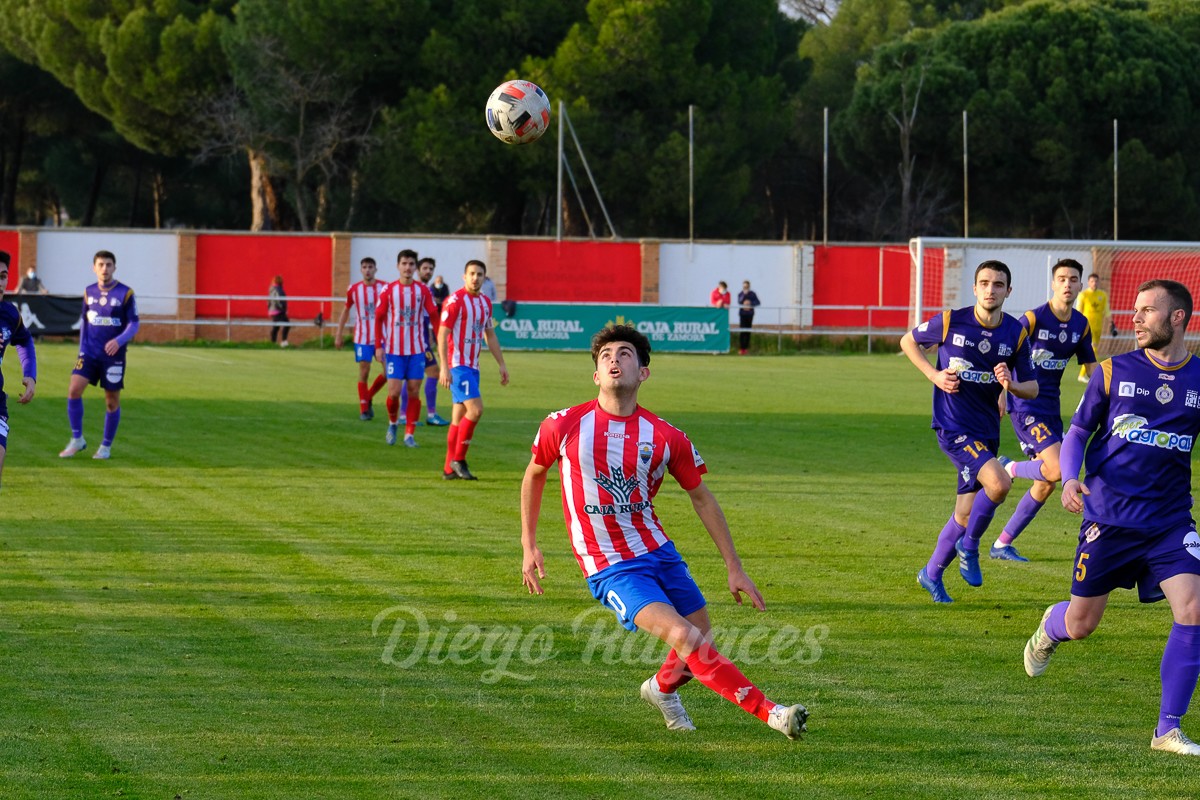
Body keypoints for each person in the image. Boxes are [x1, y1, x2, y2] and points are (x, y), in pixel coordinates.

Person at [520, 324, 809, 739]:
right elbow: (534, 475)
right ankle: (773, 713)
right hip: (610, 565)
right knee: (685, 637)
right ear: (596, 376)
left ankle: (660, 690)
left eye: (625, 354)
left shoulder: (665, 436)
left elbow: (702, 498)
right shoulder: (563, 425)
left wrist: (734, 566)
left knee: (699, 640)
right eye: (605, 357)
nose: (614, 360)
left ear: (643, 372)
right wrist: (529, 544)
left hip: (660, 553)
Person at [1023, 279, 1200, 757]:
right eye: (1136, 310)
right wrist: (1071, 478)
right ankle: (1051, 626)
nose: (1136, 318)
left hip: (1169, 521)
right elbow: (1079, 429)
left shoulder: (1198, 379)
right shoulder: (1111, 371)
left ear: (1178, 318)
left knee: (1194, 609)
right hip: (1110, 517)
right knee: (1082, 624)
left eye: (1147, 311)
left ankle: (1167, 730)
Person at [900, 260, 1038, 603]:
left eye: (998, 284)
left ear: (1009, 291)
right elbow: (907, 341)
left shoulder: (1015, 333)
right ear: (975, 288)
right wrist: (934, 376)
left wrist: (1011, 385)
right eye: (985, 283)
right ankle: (971, 546)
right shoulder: (951, 320)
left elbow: (1033, 388)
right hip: (953, 425)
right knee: (1000, 483)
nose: (991, 289)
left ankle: (930, 574)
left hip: (987, 428)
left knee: (965, 511)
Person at [992, 258, 1098, 561]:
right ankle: (1009, 467)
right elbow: (1006, 355)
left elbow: (1092, 369)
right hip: (1025, 405)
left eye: (1073, 279)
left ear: (1080, 285)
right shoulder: (1033, 318)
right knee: (1058, 469)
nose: (1068, 284)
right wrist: (1003, 392)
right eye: (1062, 278)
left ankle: (1002, 543)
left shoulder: (1081, 324)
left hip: (1052, 408)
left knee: (1045, 484)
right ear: (1053, 283)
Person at [59, 250, 139, 460]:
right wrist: (81, 349)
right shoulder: (89, 292)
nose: (105, 269)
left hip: (113, 356)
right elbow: (85, 322)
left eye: (109, 265)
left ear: (114, 267)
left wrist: (118, 341)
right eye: (101, 265)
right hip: (89, 353)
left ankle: (105, 446)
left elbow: (134, 323)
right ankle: (77, 439)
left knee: (111, 401)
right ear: (94, 268)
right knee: (74, 389)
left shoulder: (125, 293)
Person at [437, 260, 509, 480]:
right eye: (471, 274)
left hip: (473, 367)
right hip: (458, 366)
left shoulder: (486, 303)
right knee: (476, 410)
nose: (475, 277)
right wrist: (444, 367)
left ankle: (449, 469)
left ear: (484, 277)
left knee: (458, 418)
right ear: (464, 276)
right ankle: (459, 459)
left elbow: (490, 336)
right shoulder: (455, 301)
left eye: (479, 274)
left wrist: (501, 364)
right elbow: (442, 334)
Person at [375, 249, 438, 447]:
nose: (408, 267)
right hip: (394, 350)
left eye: (411, 264)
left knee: (413, 391)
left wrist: (442, 340)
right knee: (393, 392)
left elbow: (435, 317)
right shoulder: (388, 290)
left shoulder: (423, 291)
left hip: (417, 350)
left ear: (415, 267)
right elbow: (378, 318)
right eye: (404, 263)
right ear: (398, 266)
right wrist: (378, 345)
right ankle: (393, 422)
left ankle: (409, 434)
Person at [0, 252, 37, 490]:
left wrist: (30, 374)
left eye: (3, 276)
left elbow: (24, 340)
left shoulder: (9, 313)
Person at [334, 257, 387, 421]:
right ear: (361, 270)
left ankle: (368, 396)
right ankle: (364, 408)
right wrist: (338, 334)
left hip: (383, 336)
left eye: (370, 267)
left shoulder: (384, 287)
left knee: (389, 373)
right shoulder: (354, 289)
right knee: (364, 370)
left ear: (375, 269)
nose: (368, 270)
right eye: (364, 267)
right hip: (362, 337)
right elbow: (345, 311)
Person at [399, 256, 448, 427]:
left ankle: (407, 415)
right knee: (431, 373)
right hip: (415, 342)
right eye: (425, 268)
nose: (428, 271)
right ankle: (427, 414)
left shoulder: (427, 290)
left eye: (431, 269)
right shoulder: (417, 290)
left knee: (414, 378)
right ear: (418, 270)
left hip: (421, 341)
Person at [1075, 273, 1111, 382]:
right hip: (1087, 327)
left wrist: (1111, 323)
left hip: (1098, 327)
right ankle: (1084, 374)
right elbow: (1078, 310)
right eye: (1092, 281)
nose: (1094, 283)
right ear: (1088, 283)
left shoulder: (1103, 295)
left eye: (1096, 281)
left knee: (1094, 349)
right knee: (1092, 349)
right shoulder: (1084, 295)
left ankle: (1087, 373)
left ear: (1099, 282)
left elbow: (1107, 310)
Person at [737, 280, 761, 355]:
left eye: (747, 287)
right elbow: (739, 301)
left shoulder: (752, 294)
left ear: (749, 286)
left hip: (750, 314)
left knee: (748, 331)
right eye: (744, 287)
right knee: (742, 331)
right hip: (743, 314)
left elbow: (758, 302)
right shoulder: (741, 294)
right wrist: (744, 295)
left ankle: (746, 348)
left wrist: (751, 303)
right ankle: (741, 348)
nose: (745, 288)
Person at [268, 275, 289, 348]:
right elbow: (279, 301)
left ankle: (273, 343)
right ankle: (283, 341)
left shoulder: (271, 289)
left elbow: (269, 300)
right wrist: (283, 309)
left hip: (273, 310)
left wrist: (269, 309)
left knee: (276, 327)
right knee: (287, 324)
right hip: (278, 310)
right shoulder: (278, 289)